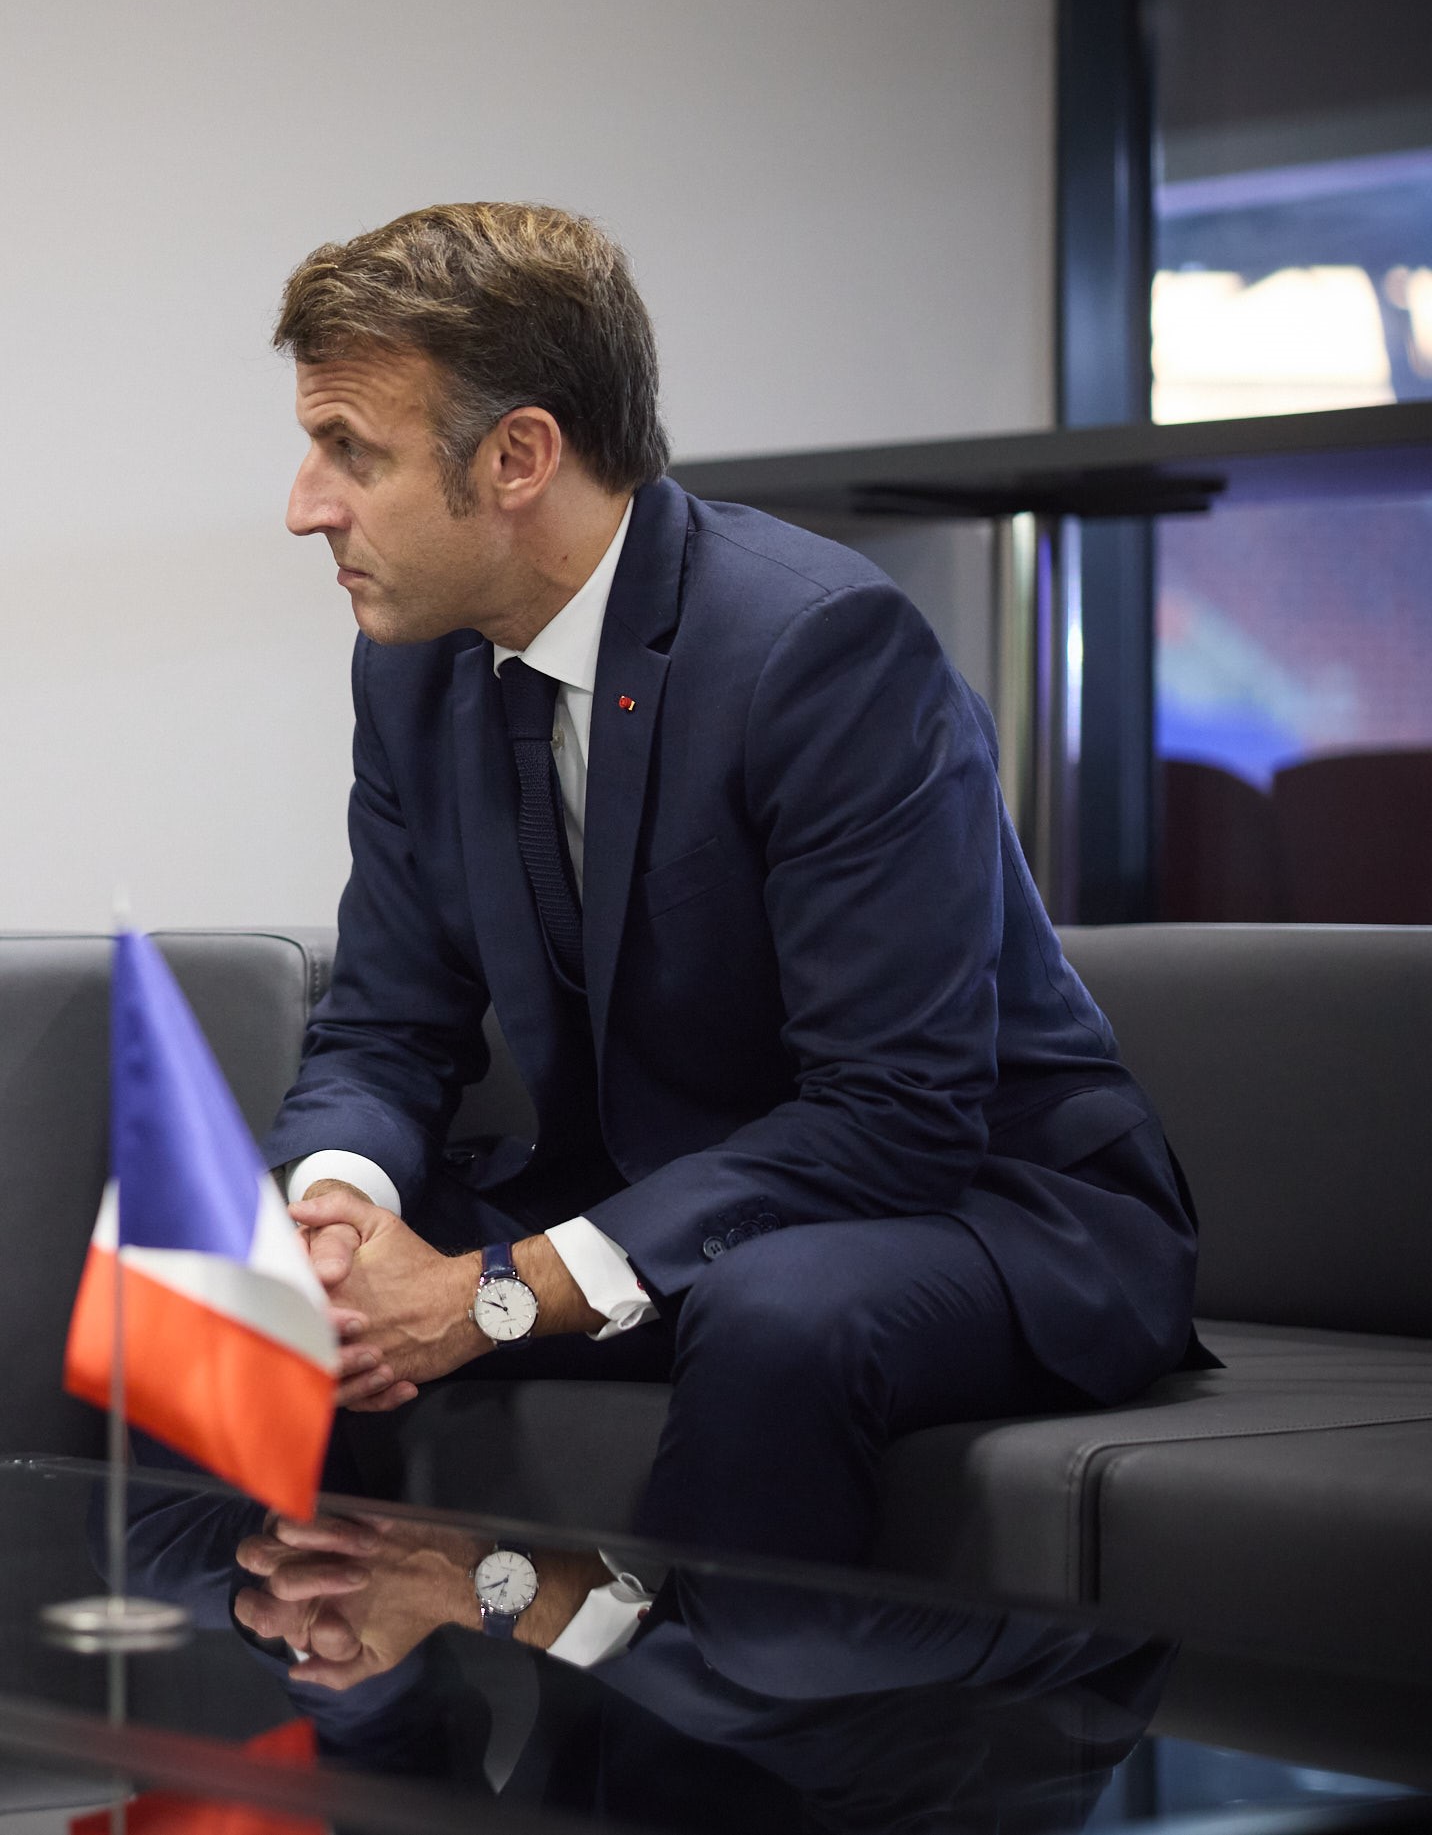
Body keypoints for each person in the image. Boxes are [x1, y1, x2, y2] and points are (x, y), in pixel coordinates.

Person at [257, 203, 1200, 1564]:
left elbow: (896, 1112)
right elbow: (387, 1025)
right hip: (661, 1190)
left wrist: (497, 1292)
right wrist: (334, 1209)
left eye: (352, 450)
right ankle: (305, 1680)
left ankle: (685, 1702)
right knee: (225, 1272)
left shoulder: (818, 648)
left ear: (520, 457)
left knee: (777, 1306)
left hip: (978, 1203)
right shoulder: (413, 663)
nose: (306, 505)